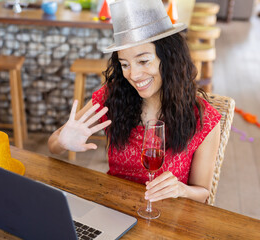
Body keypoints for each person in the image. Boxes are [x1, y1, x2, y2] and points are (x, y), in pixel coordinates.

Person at [48, 0, 221, 204]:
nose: (134, 74)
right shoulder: (112, 98)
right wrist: (62, 142)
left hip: (168, 218)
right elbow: (53, 143)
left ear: (169, 59)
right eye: (125, 64)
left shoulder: (204, 119)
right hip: (115, 208)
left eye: (143, 61)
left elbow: (202, 192)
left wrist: (181, 190)